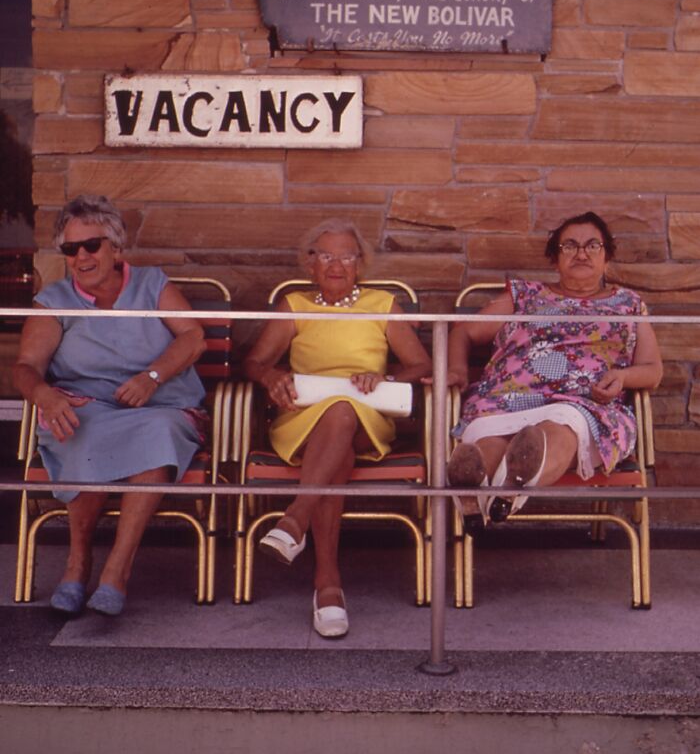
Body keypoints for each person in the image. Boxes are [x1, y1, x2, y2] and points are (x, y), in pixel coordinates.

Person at [12, 195, 207, 616]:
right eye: (70, 249)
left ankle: (116, 571)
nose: (81, 256)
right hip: (87, 406)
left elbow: (193, 337)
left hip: (159, 404)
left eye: (92, 245)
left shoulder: (151, 284)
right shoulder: (55, 300)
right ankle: (77, 564)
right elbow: (26, 366)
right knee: (78, 430)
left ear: (116, 248)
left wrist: (152, 376)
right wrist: (44, 394)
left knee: (157, 433)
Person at [243, 218, 431, 638]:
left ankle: (296, 519)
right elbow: (255, 362)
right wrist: (270, 377)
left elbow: (421, 364)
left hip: (368, 415)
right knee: (335, 445)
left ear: (360, 263)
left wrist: (384, 377)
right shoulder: (295, 306)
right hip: (303, 418)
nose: (336, 264)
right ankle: (327, 583)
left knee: (344, 411)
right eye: (326, 255)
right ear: (309, 263)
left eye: (347, 255)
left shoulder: (382, 304)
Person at [447, 211, 663, 524]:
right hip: (505, 398)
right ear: (555, 259)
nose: (581, 253)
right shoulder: (527, 296)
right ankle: (481, 487)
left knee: (558, 430)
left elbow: (653, 369)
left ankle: (486, 498)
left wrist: (623, 376)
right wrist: (457, 371)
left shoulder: (629, 305)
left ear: (607, 257)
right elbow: (464, 331)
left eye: (592, 246)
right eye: (570, 246)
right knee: (490, 444)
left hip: (584, 403)